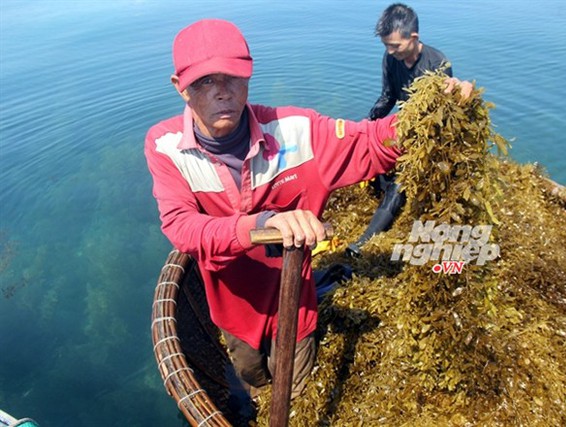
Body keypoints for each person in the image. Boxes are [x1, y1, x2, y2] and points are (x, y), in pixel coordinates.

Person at [145, 18, 471, 400]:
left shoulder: (295, 131)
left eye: (232, 77)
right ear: (179, 88)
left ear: (248, 76)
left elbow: (369, 142)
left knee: (295, 391)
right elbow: (182, 228)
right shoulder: (166, 147)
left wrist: (428, 115)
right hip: (233, 310)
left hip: (295, 306)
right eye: (204, 82)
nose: (222, 93)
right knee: (253, 377)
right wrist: (265, 222)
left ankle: (318, 299)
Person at [348, 3, 454, 256]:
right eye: (386, 45)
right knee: (372, 158)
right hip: (402, 126)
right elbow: (388, 97)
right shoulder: (390, 59)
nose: (390, 51)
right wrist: (367, 123)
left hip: (428, 135)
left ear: (413, 37)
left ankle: (364, 241)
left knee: (400, 181)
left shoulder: (438, 64)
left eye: (394, 46)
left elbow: (439, 116)